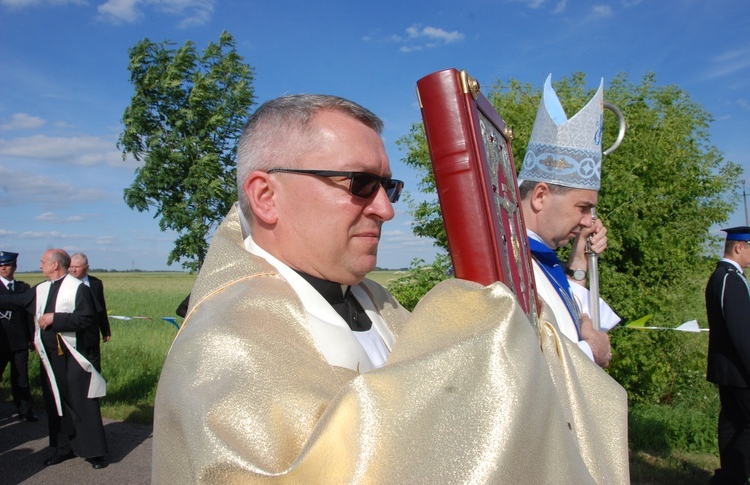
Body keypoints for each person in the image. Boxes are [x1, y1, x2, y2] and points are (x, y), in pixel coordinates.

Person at [153, 94, 629, 483]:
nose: (386, 209)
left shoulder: (376, 301)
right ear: (265, 196)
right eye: (360, 183)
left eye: (388, 186)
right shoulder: (225, 349)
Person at [518, 74, 620, 367]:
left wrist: (579, 261)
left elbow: (567, 322)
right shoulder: (505, 264)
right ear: (540, 196)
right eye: (583, 207)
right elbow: (521, 368)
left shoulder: (537, 259)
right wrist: (592, 354)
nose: (590, 221)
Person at [0, 249, 109, 469]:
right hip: (50, 358)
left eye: (42, 262)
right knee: (55, 402)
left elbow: (87, 319)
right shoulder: (42, 288)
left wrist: (55, 319)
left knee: (82, 402)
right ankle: (63, 447)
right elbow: (17, 301)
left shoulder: (79, 288)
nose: (40, 266)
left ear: (55, 265)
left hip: (73, 356)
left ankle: (94, 452)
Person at [706, 226, 750, 484]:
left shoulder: (726, 276)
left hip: (730, 370)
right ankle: (735, 477)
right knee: (744, 426)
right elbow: (741, 332)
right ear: (739, 247)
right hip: (739, 371)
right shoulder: (729, 278)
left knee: (733, 423)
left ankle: (729, 477)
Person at [0, 251, 37, 422]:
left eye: (6, 265)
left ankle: (25, 410)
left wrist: (32, 337)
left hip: (20, 341)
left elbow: (29, 316)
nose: (3, 268)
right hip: (1, 341)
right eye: (0, 266)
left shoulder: (23, 288)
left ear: (14, 267)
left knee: (21, 377)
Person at [69, 252, 111, 371]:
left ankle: (95, 389)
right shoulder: (65, 284)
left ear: (87, 267)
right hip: (72, 334)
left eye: (77, 267)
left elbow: (101, 307)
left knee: (94, 366)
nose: (73, 270)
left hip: (91, 334)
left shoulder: (96, 283)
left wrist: (105, 330)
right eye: (71, 267)